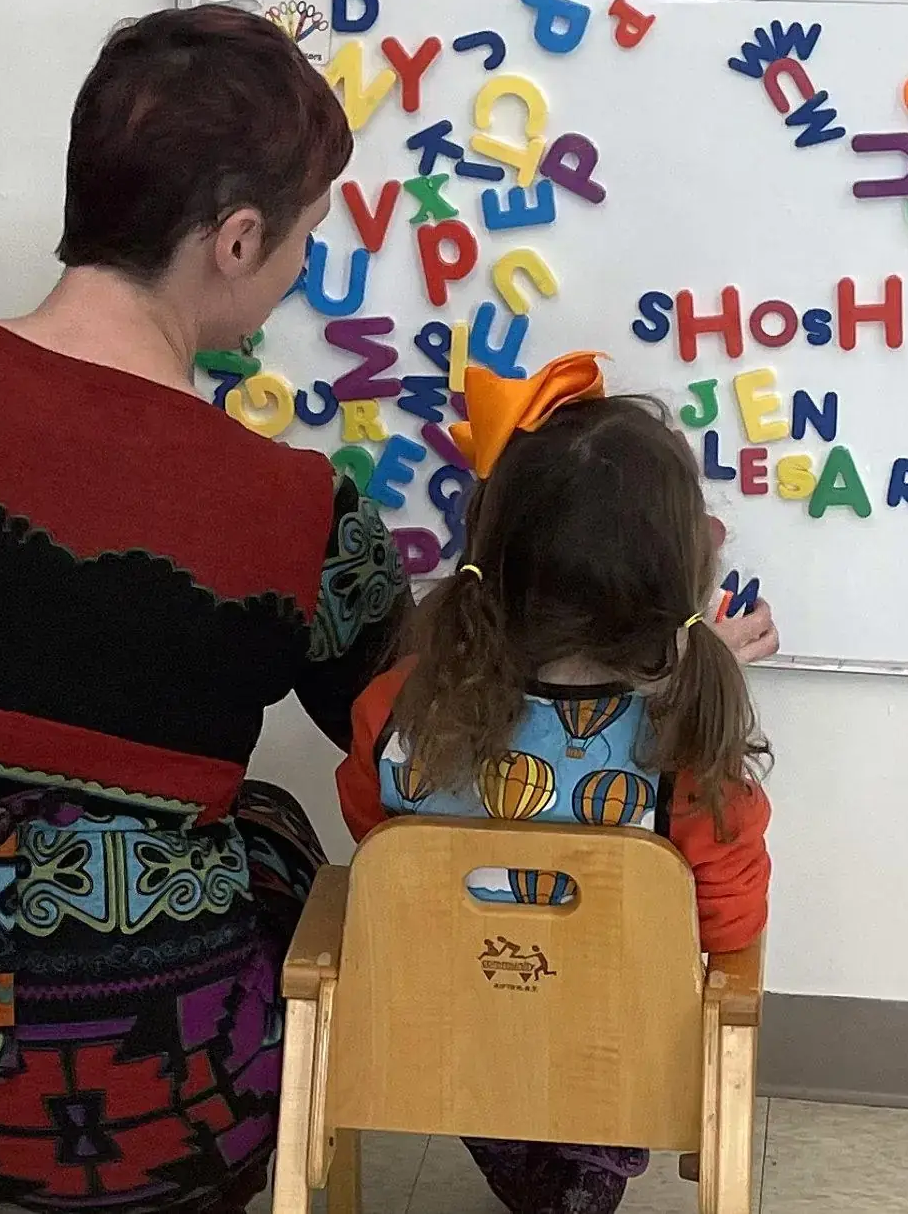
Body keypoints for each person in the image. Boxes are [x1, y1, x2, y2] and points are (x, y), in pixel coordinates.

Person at [0, 6, 410, 1213]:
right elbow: (421, 739)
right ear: (237, 237)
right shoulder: (297, 510)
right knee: (265, 826)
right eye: (301, 244)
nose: (296, 276)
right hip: (136, 1120)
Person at [336, 352, 774, 1214]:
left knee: (489, 991)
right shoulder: (683, 750)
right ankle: (576, 1157)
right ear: (676, 575)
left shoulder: (398, 704)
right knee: (613, 1000)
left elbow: (373, 830)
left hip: (434, 1025)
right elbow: (732, 919)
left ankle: (539, 1146)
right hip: (616, 1039)